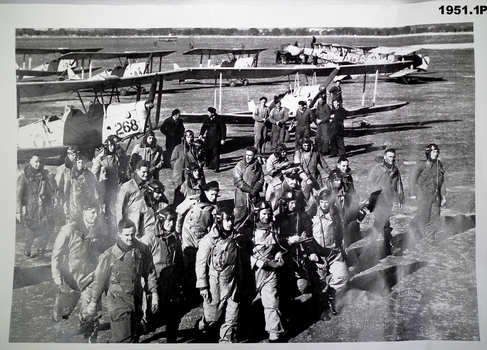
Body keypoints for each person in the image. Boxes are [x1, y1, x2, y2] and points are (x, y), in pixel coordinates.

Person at [85, 219, 159, 343]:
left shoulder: (142, 249)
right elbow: (99, 281)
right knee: (123, 338)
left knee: (134, 334)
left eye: (133, 234)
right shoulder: (109, 255)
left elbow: (150, 272)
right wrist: (93, 303)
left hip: (136, 299)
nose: (131, 238)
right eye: (127, 235)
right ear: (119, 234)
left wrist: (154, 293)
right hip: (117, 300)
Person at [51, 197, 108, 343]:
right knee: (63, 312)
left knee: (91, 313)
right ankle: (57, 332)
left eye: (98, 213)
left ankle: (89, 341)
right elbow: (56, 255)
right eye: (93, 213)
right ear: (84, 212)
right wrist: (56, 275)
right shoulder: (69, 230)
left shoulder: (101, 229)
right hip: (70, 279)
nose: (96, 216)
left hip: (90, 278)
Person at [195, 208, 240, 343]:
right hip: (215, 283)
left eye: (231, 220)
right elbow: (200, 264)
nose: (230, 223)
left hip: (232, 281)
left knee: (232, 315)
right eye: (227, 220)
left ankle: (226, 340)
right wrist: (203, 286)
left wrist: (241, 281)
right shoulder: (208, 240)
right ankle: (201, 325)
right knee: (212, 317)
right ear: (219, 220)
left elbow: (239, 262)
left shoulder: (235, 237)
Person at [302, 188, 349, 320]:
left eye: (326, 202)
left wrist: (343, 248)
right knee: (319, 283)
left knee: (343, 275)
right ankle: (322, 308)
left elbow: (341, 232)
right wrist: (310, 252)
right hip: (318, 255)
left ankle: (330, 296)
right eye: (322, 202)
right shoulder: (311, 213)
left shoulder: (336, 213)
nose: (324, 205)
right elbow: (306, 236)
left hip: (334, 251)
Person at [139, 207, 183, 343]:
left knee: (174, 315)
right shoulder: (149, 239)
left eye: (174, 221)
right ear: (161, 221)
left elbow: (179, 260)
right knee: (147, 319)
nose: (172, 224)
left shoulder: (175, 237)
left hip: (170, 283)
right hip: (154, 283)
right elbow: (140, 263)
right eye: (169, 221)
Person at [176, 181, 220, 305]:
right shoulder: (192, 200)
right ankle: (189, 294)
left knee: (201, 264)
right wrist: (178, 230)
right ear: (205, 192)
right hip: (187, 237)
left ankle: (199, 292)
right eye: (212, 194)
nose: (214, 197)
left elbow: (213, 227)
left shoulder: (214, 208)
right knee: (188, 265)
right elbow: (179, 212)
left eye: (216, 195)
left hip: (202, 239)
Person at [248, 201, 285, 342]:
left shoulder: (274, 228)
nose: (267, 217)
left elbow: (278, 247)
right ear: (257, 214)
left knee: (272, 303)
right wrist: (256, 262)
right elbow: (241, 251)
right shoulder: (248, 230)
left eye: (269, 214)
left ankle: (274, 335)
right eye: (264, 214)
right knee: (243, 303)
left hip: (270, 272)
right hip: (252, 273)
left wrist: (278, 256)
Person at [367, 149, 405, 256]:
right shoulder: (376, 169)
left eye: (393, 157)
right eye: (389, 157)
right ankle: (376, 246)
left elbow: (398, 184)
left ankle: (385, 246)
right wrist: (376, 193)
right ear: (384, 157)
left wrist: (400, 198)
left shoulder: (395, 169)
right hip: (378, 200)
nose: (391, 159)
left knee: (385, 222)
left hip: (389, 201)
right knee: (380, 222)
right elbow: (369, 183)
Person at [17, 154, 55, 257]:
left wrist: (51, 179)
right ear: (30, 161)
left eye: (40, 162)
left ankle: (41, 248)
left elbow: (53, 191)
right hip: (31, 209)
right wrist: (18, 211)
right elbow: (18, 195)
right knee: (30, 232)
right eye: (36, 162)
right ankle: (28, 247)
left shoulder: (46, 175)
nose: (38, 164)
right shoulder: (24, 176)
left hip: (44, 208)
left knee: (48, 229)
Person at [91, 135, 129, 233]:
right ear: (106, 146)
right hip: (105, 186)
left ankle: (114, 227)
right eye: (110, 145)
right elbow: (94, 172)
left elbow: (122, 167)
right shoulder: (100, 157)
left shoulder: (117, 155)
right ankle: (109, 229)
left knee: (118, 206)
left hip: (117, 184)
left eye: (113, 145)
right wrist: (97, 185)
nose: (112, 147)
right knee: (107, 207)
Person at [409, 143, 446, 240]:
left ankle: (429, 237)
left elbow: (442, 181)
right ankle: (415, 225)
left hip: (435, 195)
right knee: (423, 216)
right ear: (428, 153)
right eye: (433, 152)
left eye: (437, 152)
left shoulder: (439, 164)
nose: (435, 153)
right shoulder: (420, 165)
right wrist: (412, 193)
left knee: (436, 216)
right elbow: (412, 179)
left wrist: (443, 195)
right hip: (423, 195)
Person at [115, 160, 150, 238]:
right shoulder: (127, 187)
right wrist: (120, 227)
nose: (146, 174)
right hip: (132, 222)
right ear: (137, 171)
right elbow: (120, 208)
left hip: (145, 222)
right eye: (143, 172)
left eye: (147, 172)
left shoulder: (148, 185)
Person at [233, 146, 264, 229]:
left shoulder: (258, 166)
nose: (247, 157)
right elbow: (237, 181)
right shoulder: (240, 165)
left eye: (250, 155)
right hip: (241, 195)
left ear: (254, 156)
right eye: (246, 154)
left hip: (254, 195)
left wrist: (255, 189)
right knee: (239, 216)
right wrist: (249, 190)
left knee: (254, 216)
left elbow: (261, 179)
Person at [63, 154, 100, 223]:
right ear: (75, 163)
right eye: (79, 162)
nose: (80, 164)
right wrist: (66, 206)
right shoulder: (70, 175)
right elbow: (66, 192)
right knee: (72, 227)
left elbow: (94, 189)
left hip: (86, 205)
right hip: (73, 206)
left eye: (82, 162)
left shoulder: (89, 175)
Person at [200, 107, 226, 173]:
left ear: (212, 113)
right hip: (208, 139)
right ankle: (210, 165)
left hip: (216, 139)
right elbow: (204, 127)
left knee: (215, 153)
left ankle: (216, 168)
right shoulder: (207, 119)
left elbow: (223, 129)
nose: (207, 113)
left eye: (208, 112)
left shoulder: (219, 119)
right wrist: (201, 134)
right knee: (208, 152)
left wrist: (223, 139)